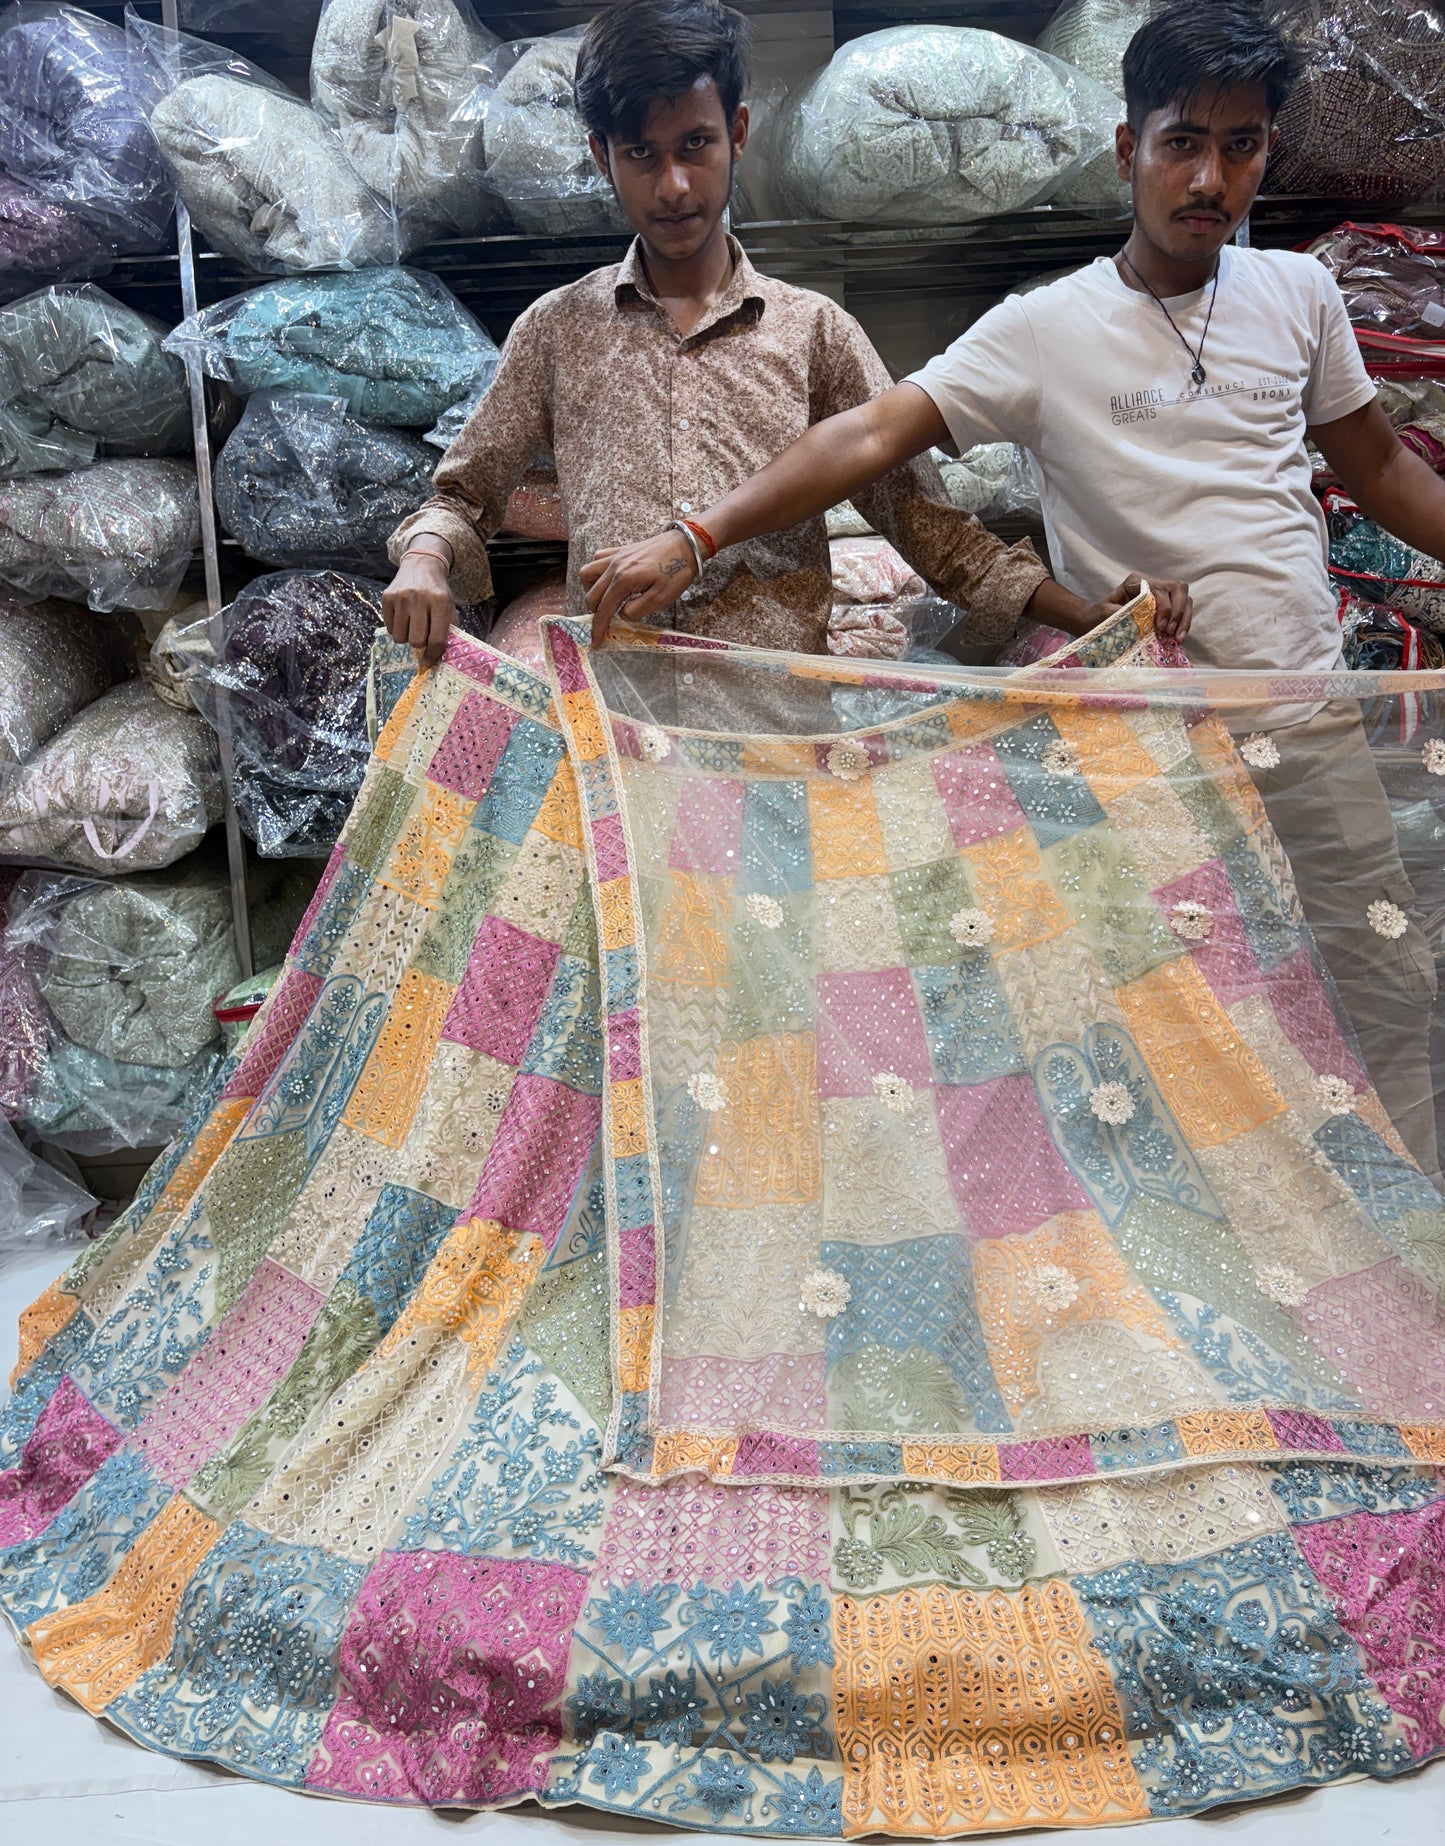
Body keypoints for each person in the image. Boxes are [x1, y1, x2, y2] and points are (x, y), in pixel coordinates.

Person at [584, 0, 1445, 1176]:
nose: (1208, 176)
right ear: (1122, 150)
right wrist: (696, 534)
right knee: (1181, 1017)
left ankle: (1405, 1232)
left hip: (1306, 719)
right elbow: (866, 435)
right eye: (1179, 141)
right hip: (1148, 749)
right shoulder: (1045, 327)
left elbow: (1382, 469)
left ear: (1265, 153)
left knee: (1380, 984)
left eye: (1238, 145)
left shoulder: (1300, 300)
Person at [382, 0, 1185, 666]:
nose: (673, 185)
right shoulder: (557, 331)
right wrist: (424, 557)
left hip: (781, 737)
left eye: (695, 145)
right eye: (641, 153)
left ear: (735, 131)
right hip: (621, 744)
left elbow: (931, 527)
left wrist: (1081, 612)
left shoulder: (813, 334)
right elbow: (461, 495)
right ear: (601, 156)